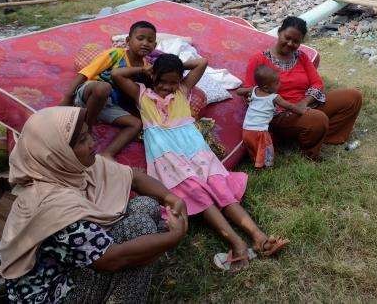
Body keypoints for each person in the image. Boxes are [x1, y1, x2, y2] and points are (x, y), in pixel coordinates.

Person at [112, 54, 288, 272]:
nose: (167, 87)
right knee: (200, 196)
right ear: (153, 77)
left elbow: (201, 63)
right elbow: (116, 74)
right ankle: (237, 243)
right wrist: (148, 68)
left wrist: (176, 67)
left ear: (180, 80)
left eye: (173, 81)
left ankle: (258, 236)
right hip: (167, 156)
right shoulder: (142, 94)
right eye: (162, 81)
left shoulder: (183, 90)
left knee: (221, 190)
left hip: (196, 150)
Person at [0, 106, 188, 303]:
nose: (92, 143)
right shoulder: (51, 206)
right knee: (140, 229)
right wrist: (173, 237)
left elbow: (134, 178)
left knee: (146, 205)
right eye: (82, 140)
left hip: (72, 265)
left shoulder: (67, 169)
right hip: (52, 294)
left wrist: (171, 198)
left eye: (88, 134)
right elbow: (112, 259)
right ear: (58, 152)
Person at [242, 16, 363, 161]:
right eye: (287, 37)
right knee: (317, 119)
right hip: (280, 115)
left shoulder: (301, 57)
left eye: (296, 41)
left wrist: (305, 102)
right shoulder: (259, 59)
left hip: (307, 105)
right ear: (279, 32)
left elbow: (317, 83)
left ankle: (327, 136)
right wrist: (280, 106)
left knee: (352, 97)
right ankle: (310, 151)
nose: (290, 43)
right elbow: (249, 91)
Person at [60, 21, 157, 159]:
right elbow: (86, 72)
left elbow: (135, 93)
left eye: (150, 40)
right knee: (103, 87)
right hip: (90, 93)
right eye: (140, 38)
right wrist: (68, 97)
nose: (145, 43)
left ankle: (108, 154)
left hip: (109, 105)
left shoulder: (147, 68)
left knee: (136, 124)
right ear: (128, 41)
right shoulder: (115, 54)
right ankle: (88, 127)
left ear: (155, 45)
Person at [242, 65, 307, 168]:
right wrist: (302, 112)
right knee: (266, 149)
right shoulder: (274, 97)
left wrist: (249, 91)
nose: (280, 84)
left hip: (246, 130)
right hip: (260, 131)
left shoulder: (254, 90)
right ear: (266, 87)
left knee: (254, 148)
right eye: (277, 83)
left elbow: (239, 92)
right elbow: (289, 106)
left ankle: (256, 162)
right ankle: (267, 167)